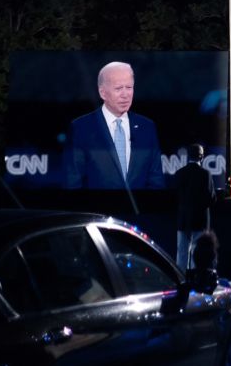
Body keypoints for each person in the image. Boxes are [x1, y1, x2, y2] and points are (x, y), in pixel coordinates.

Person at [64, 61, 165, 190]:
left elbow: (156, 181)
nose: (125, 95)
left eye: (129, 87)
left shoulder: (147, 127)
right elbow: (73, 182)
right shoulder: (81, 128)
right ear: (103, 93)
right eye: (118, 88)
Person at [175, 143, 216, 271]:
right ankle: (196, 280)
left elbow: (176, 197)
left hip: (183, 220)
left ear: (188, 156)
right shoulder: (205, 174)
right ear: (202, 157)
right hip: (200, 221)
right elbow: (211, 198)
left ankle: (181, 280)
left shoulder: (179, 173)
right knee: (198, 254)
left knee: (181, 254)